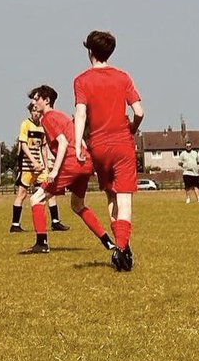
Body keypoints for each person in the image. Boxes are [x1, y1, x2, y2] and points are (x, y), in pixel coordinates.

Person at [72, 31, 144, 273]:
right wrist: (132, 128)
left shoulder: (81, 80)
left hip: (99, 145)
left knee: (111, 198)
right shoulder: (123, 77)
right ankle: (121, 248)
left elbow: (80, 114)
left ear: (90, 52)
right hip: (123, 143)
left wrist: (77, 143)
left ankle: (122, 249)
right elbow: (140, 111)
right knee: (125, 199)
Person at [25, 86, 115, 256]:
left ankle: (41, 243)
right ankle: (107, 241)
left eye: (36, 99)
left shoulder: (48, 118)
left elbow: (63, 143)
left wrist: (54, 171)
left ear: (47, 101)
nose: (33, 103)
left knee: (36, 198)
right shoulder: (63, 116)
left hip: (71, 163)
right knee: (77, 205)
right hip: (84, 162)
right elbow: (79, 139)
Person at [10, 103, 68, 234]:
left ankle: (55, 221)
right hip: (27, 165)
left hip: (40, 167)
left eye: (37, 111)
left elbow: (43, 147)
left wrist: (46, 166)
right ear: (30, 112)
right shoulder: (25, 124)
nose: (36, 113)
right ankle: (15, 224)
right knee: (22, 194)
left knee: (49, 191)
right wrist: (33, 161)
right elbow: (23, 145)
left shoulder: (43, 126)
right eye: (34, 111)